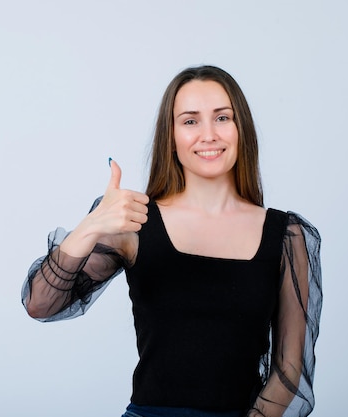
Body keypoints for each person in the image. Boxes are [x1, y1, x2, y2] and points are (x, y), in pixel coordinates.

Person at [21, 65, 322, 417]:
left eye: (222, 117)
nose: (208, 134)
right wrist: (89, 228)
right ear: (172, 135)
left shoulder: (286, 236)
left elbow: (289, 370)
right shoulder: (134, 222)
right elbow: (41, 305)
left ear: (242, 129)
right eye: (190, 121)